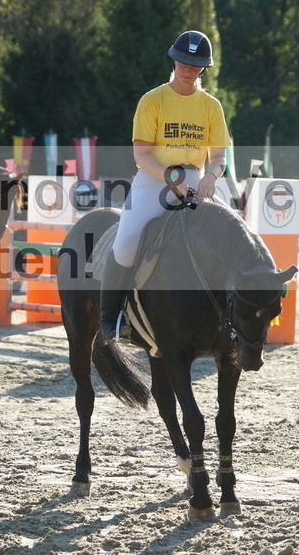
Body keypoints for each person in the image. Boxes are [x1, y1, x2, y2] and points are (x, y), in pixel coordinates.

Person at [98, 30, 231, 344]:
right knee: (127, 241)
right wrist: (171, 178)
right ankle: (111, 318)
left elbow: (220, 157)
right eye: (183, 61)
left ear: (203, 68)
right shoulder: (152, 100)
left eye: (195, 64)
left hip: (197, 179)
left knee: (233, 233)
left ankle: (233, 314)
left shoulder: (211, 106)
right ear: (174, 59)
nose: (188, 68)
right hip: (154, 177)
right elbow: (141, 154)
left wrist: (211, 177)